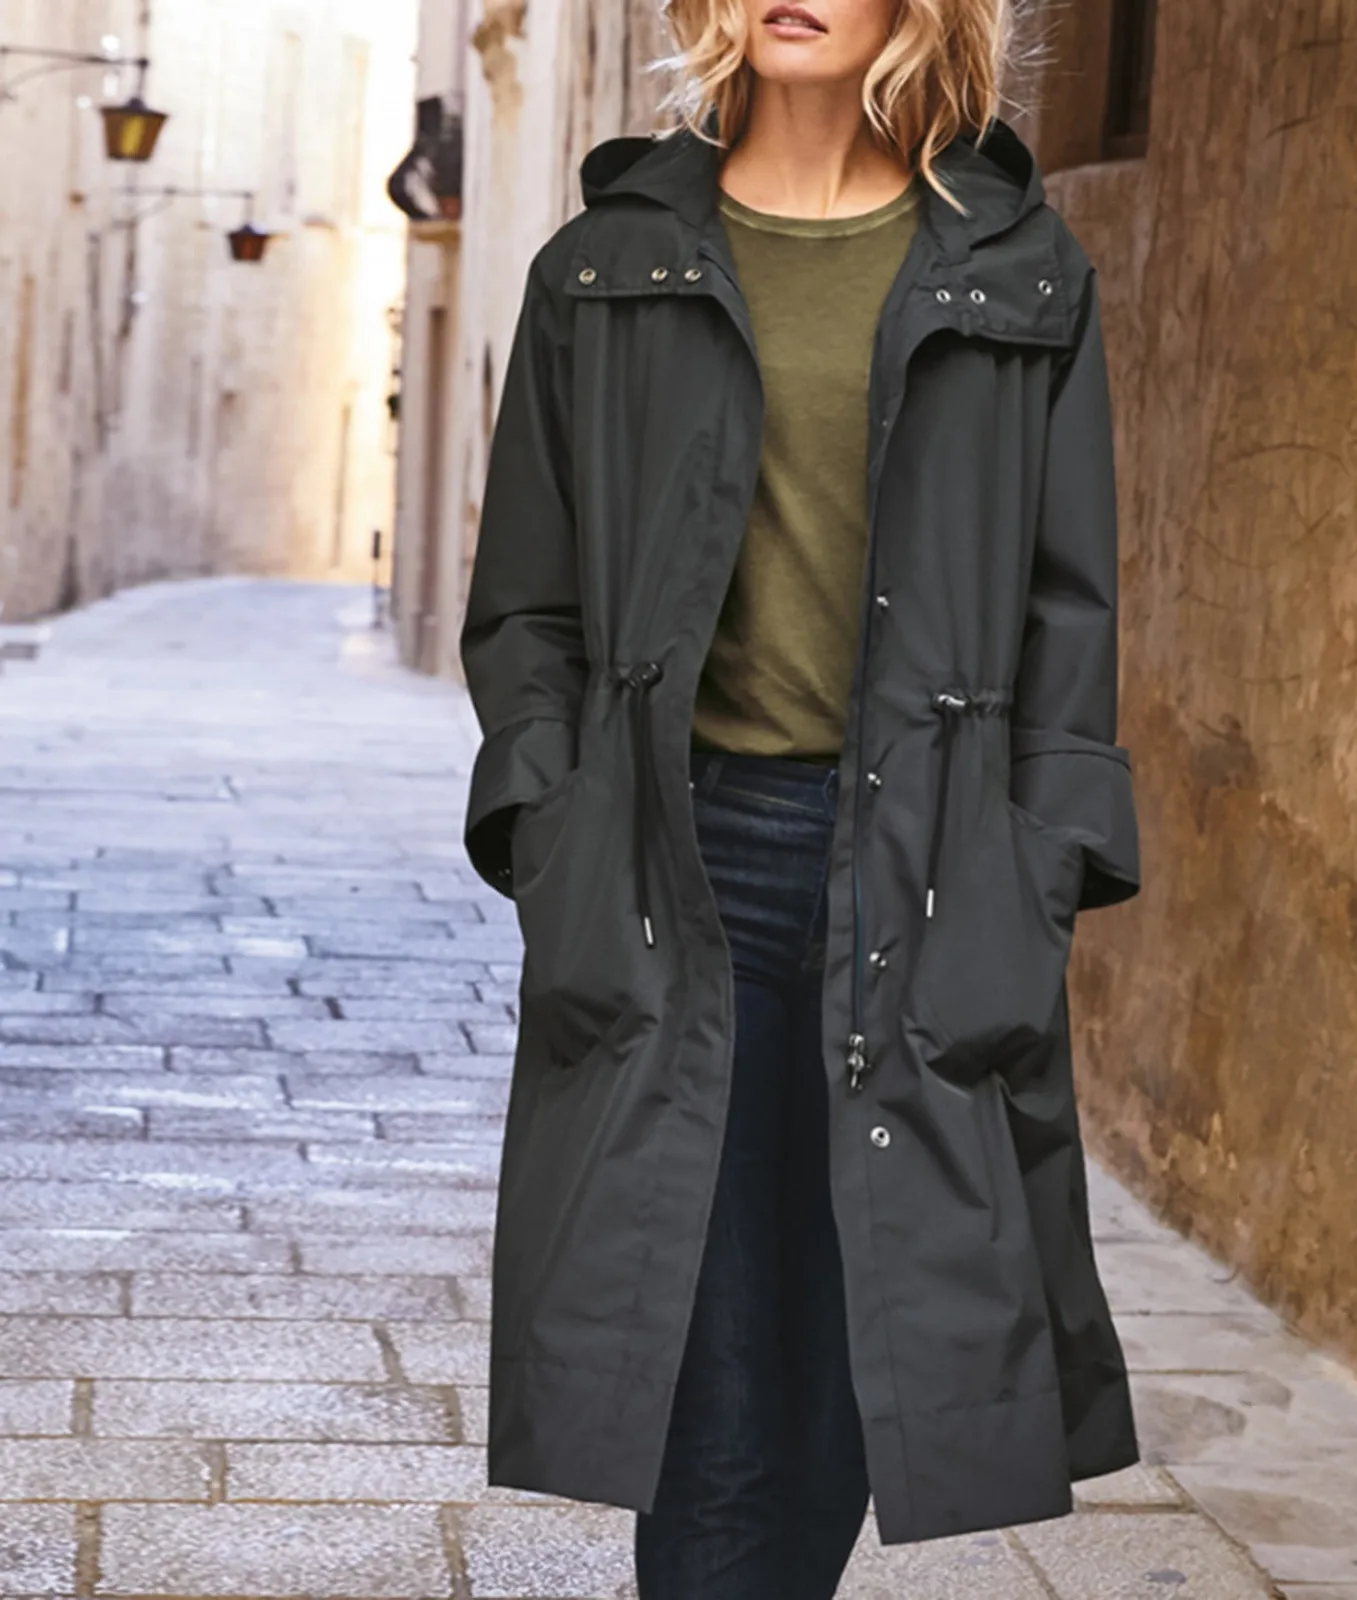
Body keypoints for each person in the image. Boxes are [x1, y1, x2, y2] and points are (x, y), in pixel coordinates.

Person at [456, 0, 1144, 1594]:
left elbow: (1072, 614)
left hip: (923, 869)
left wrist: (1036, 864)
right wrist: (557, 829)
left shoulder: (1021, 274)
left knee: (859, 1360)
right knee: (709, 1372)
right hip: (678, 870)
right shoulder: (604, 267)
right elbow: (528, 608)